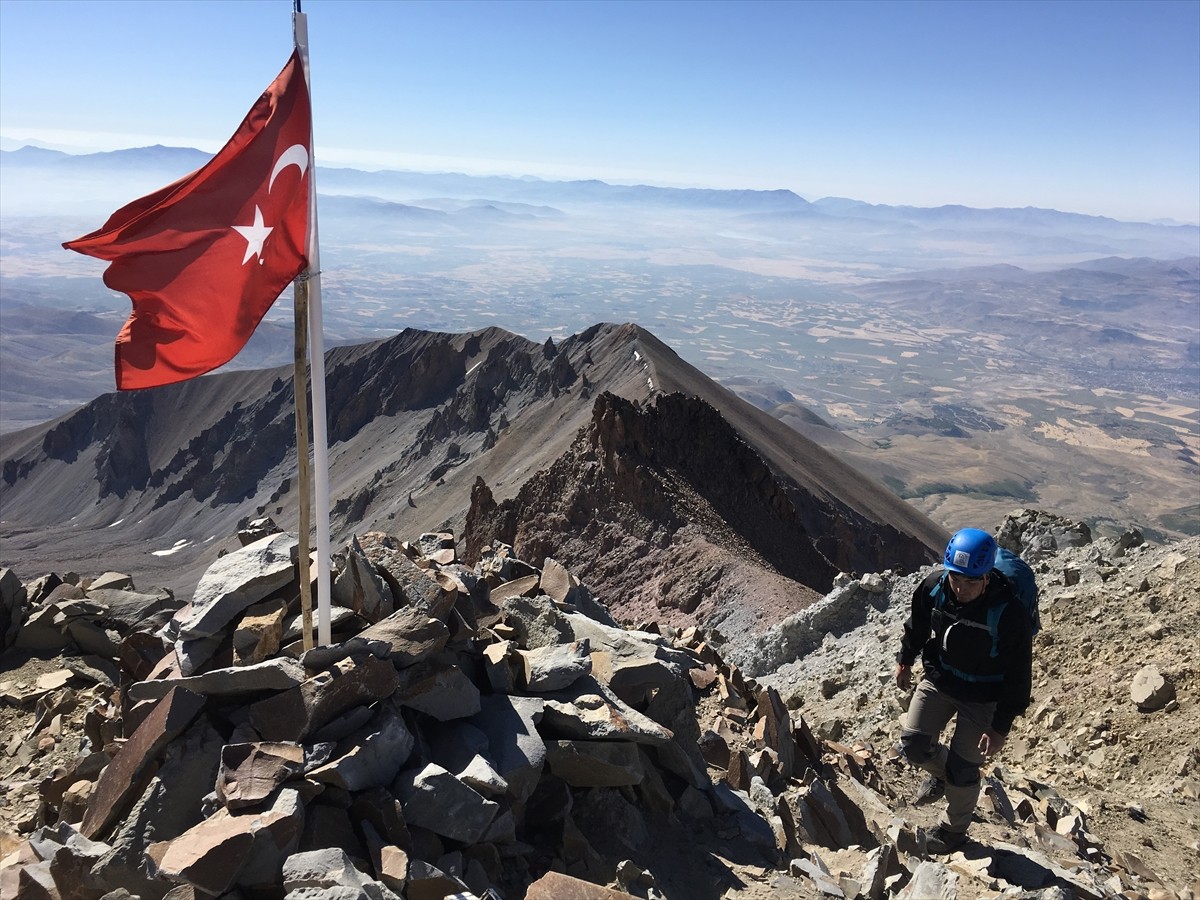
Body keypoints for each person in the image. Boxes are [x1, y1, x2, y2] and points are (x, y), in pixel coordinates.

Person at [893, 527, 1033, 852]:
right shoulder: (934, 588)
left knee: (964, 767)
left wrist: (1001, 728)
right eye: (956, 578)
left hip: (984, 697)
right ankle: (945, 776)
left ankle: (953, 833)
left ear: (987, 577)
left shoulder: (1009, 613)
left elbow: (1018, 676)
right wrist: (905, 659)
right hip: (940, 679)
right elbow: (917, 625)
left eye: (971, 581)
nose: (961, 588)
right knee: (913, 745)